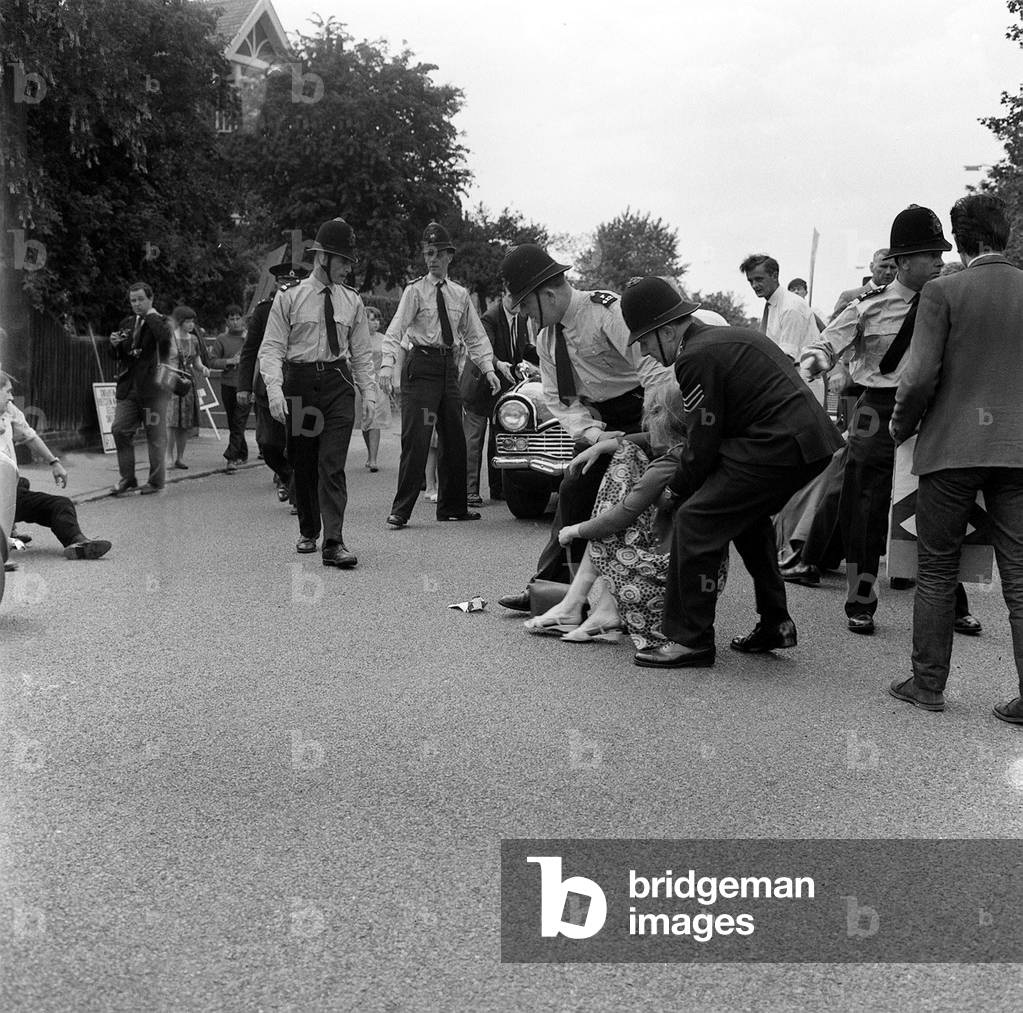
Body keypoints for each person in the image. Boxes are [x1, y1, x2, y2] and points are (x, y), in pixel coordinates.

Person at [620, 277, 844, 669]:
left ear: (668, 330)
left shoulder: (695, 357)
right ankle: (776, 624)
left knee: (696, 519)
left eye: (644, 341)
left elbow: (703, 438)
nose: (645, 352)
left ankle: (690, 640)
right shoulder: (724, 338)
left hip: (778, 446)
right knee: (748, 519)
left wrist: (676, 491)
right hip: (804, 443)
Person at [800, 205, 979, 636]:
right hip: (875, 410)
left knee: (942, 505)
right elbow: (827, 345)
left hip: (935, 409)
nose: (939, 261)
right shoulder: (869, 305)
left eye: (941, 253)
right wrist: (812, 364)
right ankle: (861, 600)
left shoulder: (953, 297)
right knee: (865, 507)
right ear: (901, 262)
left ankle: (953, 601)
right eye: (930, 254)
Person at [889, 194, 1023, 722]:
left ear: (960, 241)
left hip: (951, 448)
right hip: (1018, 451)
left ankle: (927, 686)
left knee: (937, 566)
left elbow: (918, 377)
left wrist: (901, 428)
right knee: (1020, 575)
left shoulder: (943, 292)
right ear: (1007, 234)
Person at [495, 244, 674, 613]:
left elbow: (656, 370)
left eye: (526, 305)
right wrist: (593, 435)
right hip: (599, 424)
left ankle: (649, 599)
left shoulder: (606, 311)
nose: (526, 315)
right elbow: (559, 400)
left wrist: (653, 432)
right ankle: (549, 592)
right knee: (574, 487)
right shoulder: (545, 337)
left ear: (547, 293)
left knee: (644, 504)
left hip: (643, 411)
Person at [525, 383, 727, 649]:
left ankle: (579, 608)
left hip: (665, 576)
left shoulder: (666, 465)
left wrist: (574, 530)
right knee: (624, 459)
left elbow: (619, 516)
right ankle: (589, 610)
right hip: (699, 572)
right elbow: (640, 441)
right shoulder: (696, 449)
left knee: (605, 529)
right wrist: (607, 445)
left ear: (660, 419)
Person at [259, 217, 378, 568]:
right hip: (299, 385)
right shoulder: (289, 298)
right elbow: (271, 349)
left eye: (350, 262)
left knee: (332, 463)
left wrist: (368, 395)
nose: (347, 269)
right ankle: (308, 529)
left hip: (337, 386)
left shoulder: (352, 301)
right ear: (322, 258)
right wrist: (275, 391)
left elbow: (362, 354)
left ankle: (334, 542)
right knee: (304, 461)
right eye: (342, 261)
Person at [378, 222, 500, 528]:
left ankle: (452, 507)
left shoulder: (459, 294)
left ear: (448, 256)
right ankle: (401, 510)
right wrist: (387, 365)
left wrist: (488, 368)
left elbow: (474, 336)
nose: (431, 259)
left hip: (448, 369)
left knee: (454, 439)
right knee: (417, 438)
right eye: (427, 253)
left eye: (437, 253)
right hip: (421, 367)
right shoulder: (414, 291)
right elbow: (395, 329)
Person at [0, 372, 111, 560]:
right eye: (8, 392)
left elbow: (30, 436)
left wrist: (54, 462)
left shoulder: (9, 410)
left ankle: (77, 543)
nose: (12, 397)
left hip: (8, 491)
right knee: (52, 501)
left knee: (30, 488)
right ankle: (6, 533)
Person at [237, 252, 311, 505]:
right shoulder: (264, 311)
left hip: (300, 384)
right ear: (276, 285)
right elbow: (249, 350)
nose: (287, 289)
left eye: (293, 284)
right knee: (268, 444)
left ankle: (296, 491)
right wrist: (243, 386)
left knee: (298, 443)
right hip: (267, 387)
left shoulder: (309, 309)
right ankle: (287, 476)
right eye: (282, 284)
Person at [462, 292, 538, 505]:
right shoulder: (490, 316)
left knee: (499, 439)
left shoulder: (521, 318)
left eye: (521, 300)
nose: (517, 303)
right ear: (504, 294)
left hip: (503, 388)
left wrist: (543, 355)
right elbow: (483, 348)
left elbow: (523, 348)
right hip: (479, 386)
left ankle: (499, 488)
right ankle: (470, 491)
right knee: (473, 440)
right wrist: (498, 364)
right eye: (513, 297)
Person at [109, 281, 172, 496]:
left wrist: (150, 314)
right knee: (119, 429)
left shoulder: (160, 321)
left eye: (140, 300)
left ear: (150, 299)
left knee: (155, 435)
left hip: (153, 392)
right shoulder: (127, 322)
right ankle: (128, 477)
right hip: (129, 389)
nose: (136, 304)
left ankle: (156, 480)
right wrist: (115, 345)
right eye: (133, 300)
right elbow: (121, 355)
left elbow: (164, 339)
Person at [740, 254, 819, 363]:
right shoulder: (771, 305)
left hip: (799, 376)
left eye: (759, 279)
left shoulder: (791, 307)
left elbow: (786, 358)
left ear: (774, 276)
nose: (754, 285)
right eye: (751, 281)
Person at [165, 305, 210, 470]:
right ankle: (168, 457)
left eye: (192, 321)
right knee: (171, 422)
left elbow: (197, 361)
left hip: (187, 383)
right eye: (188, 321)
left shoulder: (194, 340)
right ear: (180, 322)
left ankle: (180, 457)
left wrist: (203, 368)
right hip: (172, 382)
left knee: (185, 423)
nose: (191, 325)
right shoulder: (169, 338)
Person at [209, 304, 250, 473]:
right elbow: (211, 361)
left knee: (239, 421)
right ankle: (242, 452)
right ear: (226, 321)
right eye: (231, 319)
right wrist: (228, 362)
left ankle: (231, 457)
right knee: (233, 421)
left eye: (237, 318)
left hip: (246, 386)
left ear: (242, 319)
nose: (235, 322)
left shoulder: (249, 338)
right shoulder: (221, 339)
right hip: (227, 385)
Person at [356, 304, 390, 472]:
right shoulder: (358, 338)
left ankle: (373, 459)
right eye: (372, 320)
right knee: (365, 420)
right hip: (361, 382)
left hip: (378, 383)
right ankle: (370, 453)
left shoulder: (384, 339)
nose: (376, 323)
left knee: (375, 419)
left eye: (377, 319)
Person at [832, 248, 897, 318]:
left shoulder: (900, 298)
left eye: (893, 267)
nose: (888, 272)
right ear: (871, 267)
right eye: (883, 266)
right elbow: (834, 327)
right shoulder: (850, 297)